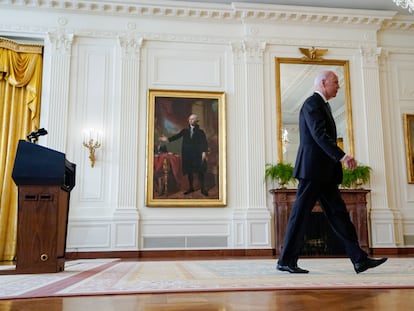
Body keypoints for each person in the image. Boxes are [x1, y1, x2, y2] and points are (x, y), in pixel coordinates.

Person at [276, 70, 387, 274]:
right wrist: (342, 156)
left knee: (339, 215)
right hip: (312, 171)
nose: (338, 86)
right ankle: (285, 261)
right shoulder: (312, 104)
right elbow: (319, 136)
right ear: (323, 83)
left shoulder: (323, 106)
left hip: (325, 173)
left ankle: (359, 259)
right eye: (335, 82)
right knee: (299, 216)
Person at [159, 113, 209, 196]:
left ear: (196, 121)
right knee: (189, 171)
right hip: (187, 154)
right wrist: (167, 139)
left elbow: (204, 143)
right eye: (190, 119)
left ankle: (203, 189)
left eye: (192, 119)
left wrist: (204, 152)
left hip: (197, 154)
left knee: (201, 171)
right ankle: (191, 188)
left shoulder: (201, 132)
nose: (190, 121)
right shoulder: (185, 131)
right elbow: (177, 136)